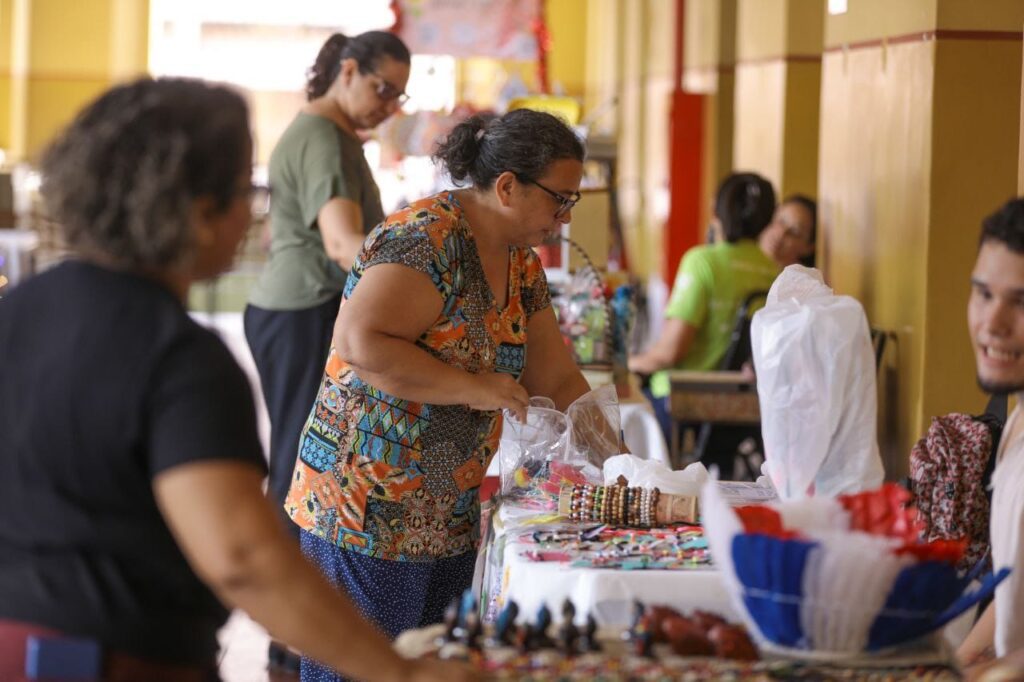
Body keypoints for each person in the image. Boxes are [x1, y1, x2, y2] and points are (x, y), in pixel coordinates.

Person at [0, 78, 474, 682]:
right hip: (119, 660)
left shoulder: (15, 312)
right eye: (246, 192)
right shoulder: (178, 357)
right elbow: (242, 558)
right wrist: (398, 672)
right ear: (201, 213)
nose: (254, 212)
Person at [283, 108, 594, 680]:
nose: (564, 216)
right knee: (363, 669)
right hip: (367, 504)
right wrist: (476, 388)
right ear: (507, 187)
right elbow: (360, 342)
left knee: (430, 666)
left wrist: (617, 461)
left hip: (444, 508)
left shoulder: (521, 264)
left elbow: (557, 379)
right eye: (560, 199)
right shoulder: (424, 240)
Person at [244, 32, 410, 669]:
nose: (388, 104)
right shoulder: (321, 137)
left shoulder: (335, 137)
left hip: (304, 308)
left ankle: (295, 630)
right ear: (347, 71)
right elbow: (345, 245)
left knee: (306, 463)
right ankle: (290, 641)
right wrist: (416, 277)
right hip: (303, 310)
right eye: (381, 88)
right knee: (299, 470)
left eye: (399, 95)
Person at [628, 172, 779, 469]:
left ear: (715, 214)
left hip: (688, 399)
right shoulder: (774, 273)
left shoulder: (703, 262)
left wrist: (630, 363)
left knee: (627, 406)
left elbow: (671, 352)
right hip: (746, 407)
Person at [956, 198, 1024, 679]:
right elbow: (1012, 593)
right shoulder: (1016, 422)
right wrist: (951, 668)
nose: (992, 323)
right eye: (983, 294)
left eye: (1022, 302)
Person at [759, 194, 817, 268]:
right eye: (781, 221)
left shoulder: (802, 278)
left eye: (795, 231)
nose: (781, 233)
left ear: (809, 248)